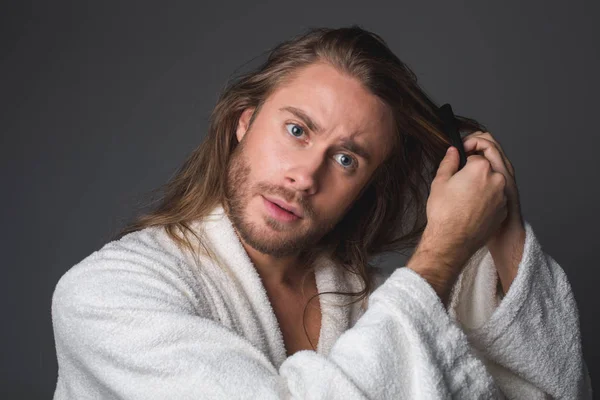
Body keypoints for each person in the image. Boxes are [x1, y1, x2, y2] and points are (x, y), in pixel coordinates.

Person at [51, 26, 592, 399]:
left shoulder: (376, 307)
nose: (306, 177)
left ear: (366, 187)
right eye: (296, 130)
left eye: (346, 159)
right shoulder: (106, 296)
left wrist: (502, 237)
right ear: (244, 122)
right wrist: (442, 251)